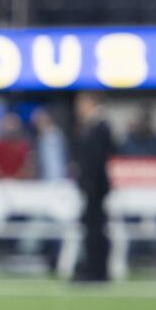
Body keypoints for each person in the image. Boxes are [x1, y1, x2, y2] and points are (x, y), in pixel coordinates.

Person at [73, 93, 114, 281]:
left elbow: (97, 161)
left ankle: (97, 271)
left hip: (95, 188)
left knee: (96, 230)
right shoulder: (92, 125)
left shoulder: (100, 126)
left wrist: (88, 183)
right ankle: (92, 268)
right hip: (91, 187)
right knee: (91, 230)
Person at [0, 113, 33, 179]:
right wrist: (3, 178)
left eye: (13, 124)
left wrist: (15, 179)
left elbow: (28, 166)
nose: (10, 127)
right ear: (2, 125)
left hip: (20, 184)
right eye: (8, 124)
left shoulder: (25, 146)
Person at [32, 108, 68, 181]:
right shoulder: (42, 137)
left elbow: (56, 160)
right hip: (45, 176)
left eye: (40, 121)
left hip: (56, 176)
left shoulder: (54, 135)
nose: (38, 125)